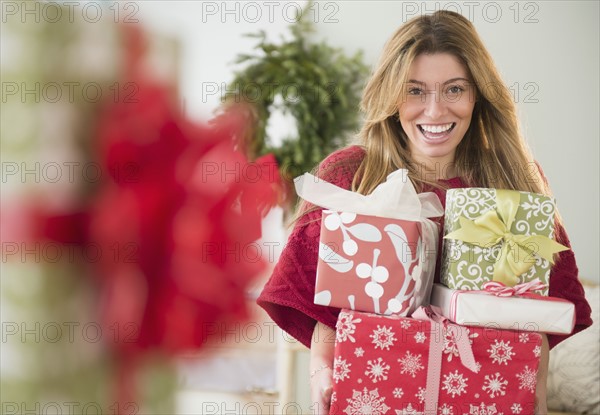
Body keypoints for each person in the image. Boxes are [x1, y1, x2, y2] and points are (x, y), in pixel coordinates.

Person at [257, 10, 592, 414]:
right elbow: (324, 301)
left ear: (477, 96)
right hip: (374, 397)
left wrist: (532, 397)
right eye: (415, 91)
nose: (435, 112)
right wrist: (321, 370)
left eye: (454, 90)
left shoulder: (515, 183)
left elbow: (532, 314)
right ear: (391, 96)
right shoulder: (350, 176)